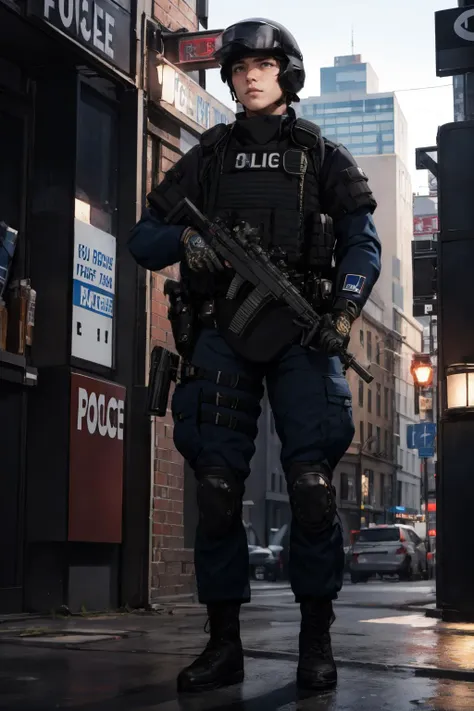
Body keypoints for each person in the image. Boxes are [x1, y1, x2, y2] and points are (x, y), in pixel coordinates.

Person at [129, 17, 381, 694]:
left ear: (285, 73)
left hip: (302, 334)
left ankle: (316, 641)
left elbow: (365, 245)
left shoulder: (320, 153)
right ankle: (222, 644)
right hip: (223, 331)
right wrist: (187, 245)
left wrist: (345, 310)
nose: (249, 76)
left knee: (313, 490)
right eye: (238, 68)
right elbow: (143, 235)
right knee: (215, 489)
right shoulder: (208, 157)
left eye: (262, 66)